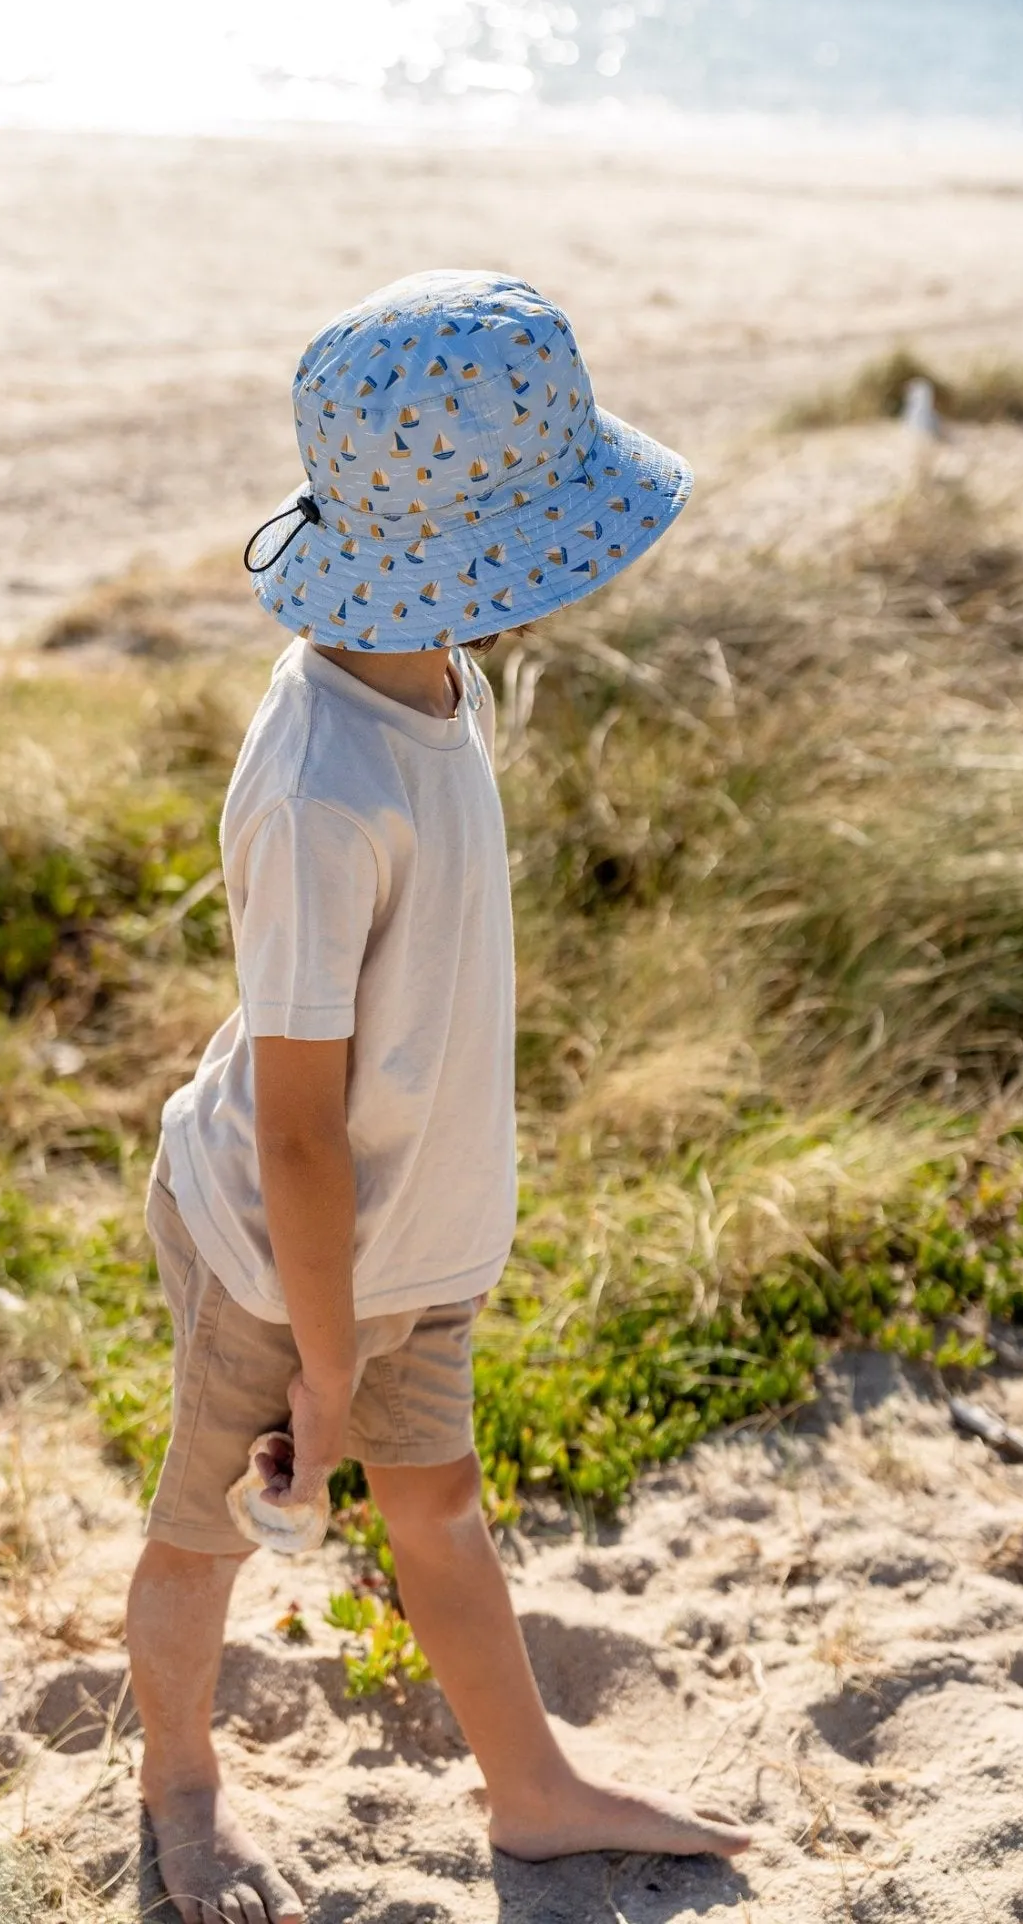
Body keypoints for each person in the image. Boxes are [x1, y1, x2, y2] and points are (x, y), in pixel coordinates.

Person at [126, 269, 751, 1923]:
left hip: (413, 1239)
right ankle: (178, 1782)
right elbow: (298, 1126)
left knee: (445, 1514)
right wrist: (322, 1372)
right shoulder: (325, 789)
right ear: (469, 557)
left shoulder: (430, 676)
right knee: (209, 1536)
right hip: (286, 1262)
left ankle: (534, 1792)